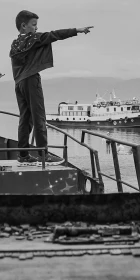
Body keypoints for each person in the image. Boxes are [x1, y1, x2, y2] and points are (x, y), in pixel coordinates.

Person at [9, 10, 93, 165]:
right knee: (39, 116)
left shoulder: (15, 44)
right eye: (33, 25)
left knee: (25, 118)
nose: (36, 28)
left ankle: (22, 155)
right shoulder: (33, 38)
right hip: (31, 80)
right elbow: (54, 35)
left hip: (18, 83)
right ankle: (43, 153)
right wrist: (77, 30)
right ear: (23, 26)